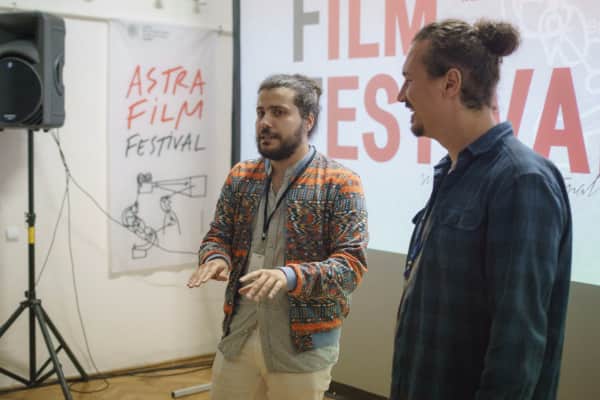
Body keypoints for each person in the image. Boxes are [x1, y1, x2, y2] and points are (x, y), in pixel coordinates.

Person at [391, 19, 572, 400]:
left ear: (450, 83)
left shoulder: (521, 180)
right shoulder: (453, 171)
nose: (400, 95)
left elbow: (516, 347)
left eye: (408, 79)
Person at [188, 74, 368, 400]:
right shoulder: (242, 176)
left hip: (302, 347)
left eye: (278, 112)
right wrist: (215, 257)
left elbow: (349, 267)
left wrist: (289, 276)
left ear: (308, 120)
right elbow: (218, 235)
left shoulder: (340, 183)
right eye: (260, 112)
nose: (265, 122)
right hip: (240, 334)